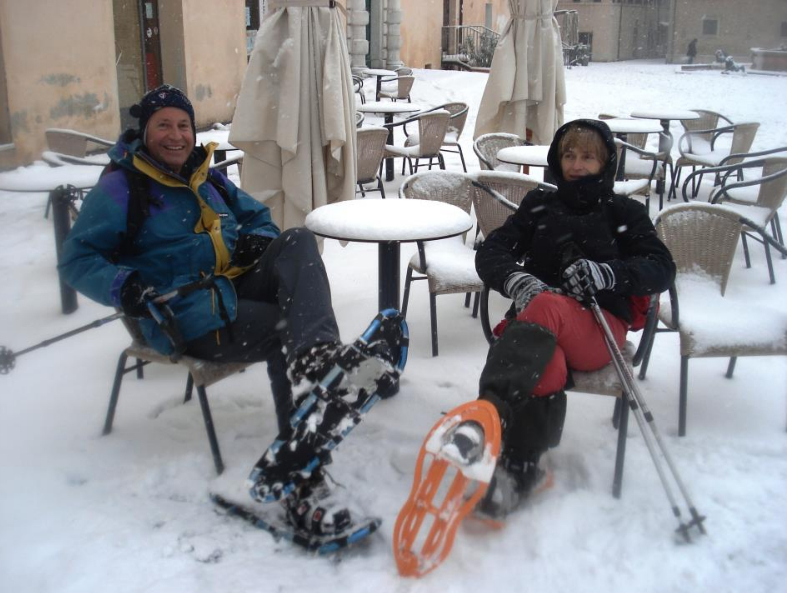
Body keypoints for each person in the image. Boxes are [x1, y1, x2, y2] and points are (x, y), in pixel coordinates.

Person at [58, 84, 398, 539]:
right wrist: (124, 285)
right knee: (283, 327)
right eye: (164, 125)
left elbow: (258, 216)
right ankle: (303, 479)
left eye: (184, 125)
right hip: (184, 318)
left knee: (295, 241)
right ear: (145, 131)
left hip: (232, 291)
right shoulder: (124, 186)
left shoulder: (207, 175)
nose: (176, 135)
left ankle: (316, 355)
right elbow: (76, 260)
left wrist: (258, 237)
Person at [451, 119, 676, 519]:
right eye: (569, 154)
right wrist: (514, 278)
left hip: (597, 329)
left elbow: (661, 267)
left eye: (588, 156)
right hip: (540, 334)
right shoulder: (540, 204)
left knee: (550, 306)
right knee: (544, 360)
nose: (576, 164)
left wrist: (609, 274)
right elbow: (492, 252)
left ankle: (486, 420)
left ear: (606, 162)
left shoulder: (624, 212)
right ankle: (522, 467)